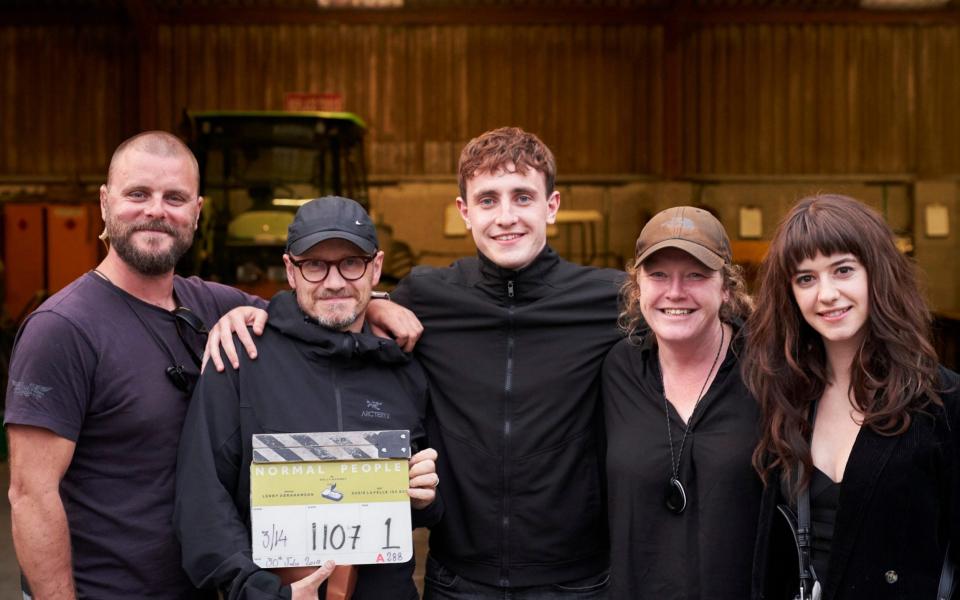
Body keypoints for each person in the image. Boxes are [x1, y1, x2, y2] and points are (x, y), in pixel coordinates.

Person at [207, 127, 624, 598]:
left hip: (575, 581)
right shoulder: (427, 297)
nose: (505, 217)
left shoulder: (610, 300)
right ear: (465, 212)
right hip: (458, 581)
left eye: (522, 197)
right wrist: (257, 311)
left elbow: (687, 310)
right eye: (488, 200)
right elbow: (337, 301)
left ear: (551, 205)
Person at [3, 131, 267, 599]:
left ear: (197, 212)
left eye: (175, 198)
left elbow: (315, 307)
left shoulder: (211, 304)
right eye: (138, 194)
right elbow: (31, 495)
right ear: (105, 203)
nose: (156, 211)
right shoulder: (62, 330)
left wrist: (378, 305)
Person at [174, 196, 441, 600]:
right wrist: (260, 593)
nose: (334, 281)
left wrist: (426, 498)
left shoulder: (405, 370)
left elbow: (436, 507)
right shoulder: (241, 358)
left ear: (377, 268)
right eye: (315, 265)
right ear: (290, 271)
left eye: (351, 263)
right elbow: (201, 503)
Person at [744, 194, 960, 600]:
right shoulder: (783, 396)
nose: (826, 293)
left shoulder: (942, 400)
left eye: (842, 270)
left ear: (877, 272)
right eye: (805, 278)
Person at [601, 206, 761, 599]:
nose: (675, 292)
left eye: (696, 275)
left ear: (726, 287)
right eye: (658, 275)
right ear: (638, 287)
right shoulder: (618, 371)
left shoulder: (767, 372)